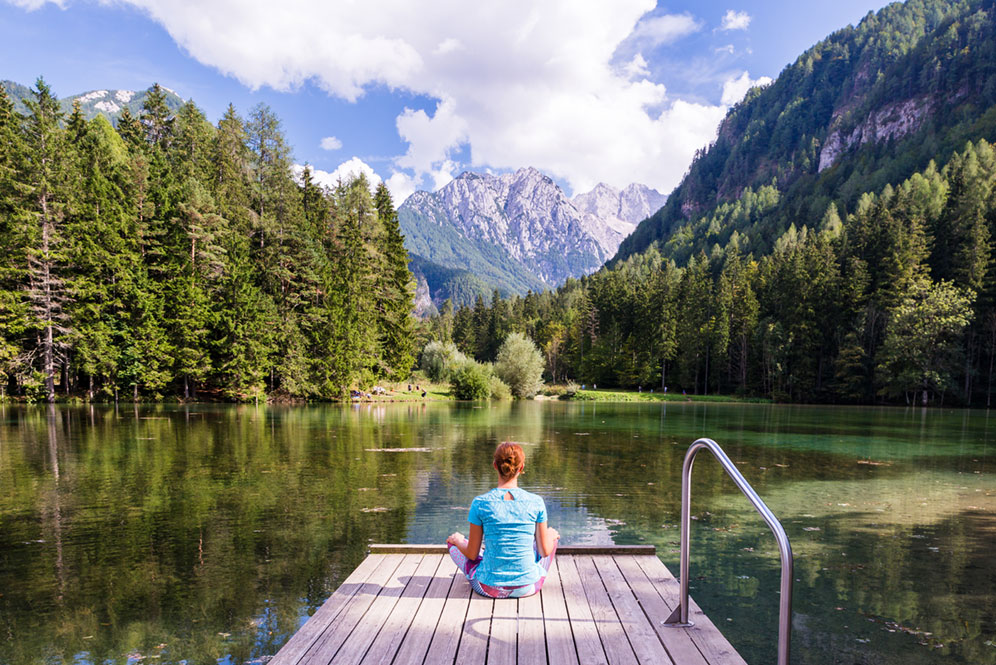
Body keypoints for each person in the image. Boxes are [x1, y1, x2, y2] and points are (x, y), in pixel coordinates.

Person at [446, 442, 560, 598]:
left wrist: (458, 540)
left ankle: (485, 566)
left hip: (488, 588)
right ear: (521, 468)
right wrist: (550, 536)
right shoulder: (536, 502)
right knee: (550, 538)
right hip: (528, 587)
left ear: (495, 465)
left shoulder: (480, 503)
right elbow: (544, 551)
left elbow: (472, 554)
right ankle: (526, 574)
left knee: (453, 544)